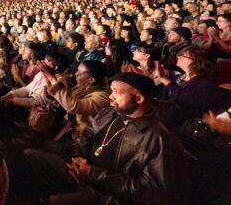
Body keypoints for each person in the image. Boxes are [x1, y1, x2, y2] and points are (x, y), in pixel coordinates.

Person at [10, 73, 190, 204]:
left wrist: (92, 174)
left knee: (53, 202)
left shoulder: (158, 137)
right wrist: (78, 157)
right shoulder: (110, 113)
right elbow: (87, 137)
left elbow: (151, 191)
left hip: (108, 196)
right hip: (82, 172)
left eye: (117, 93)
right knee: (28, 156)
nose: (110, 97)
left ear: (139, 98)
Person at [158, 46, 231, 121]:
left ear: (196, 61)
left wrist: (165, 80)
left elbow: (187, 102)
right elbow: (161, 98)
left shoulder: (204, 84)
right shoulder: (177, 78)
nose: (179, 56)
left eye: (184, 55)